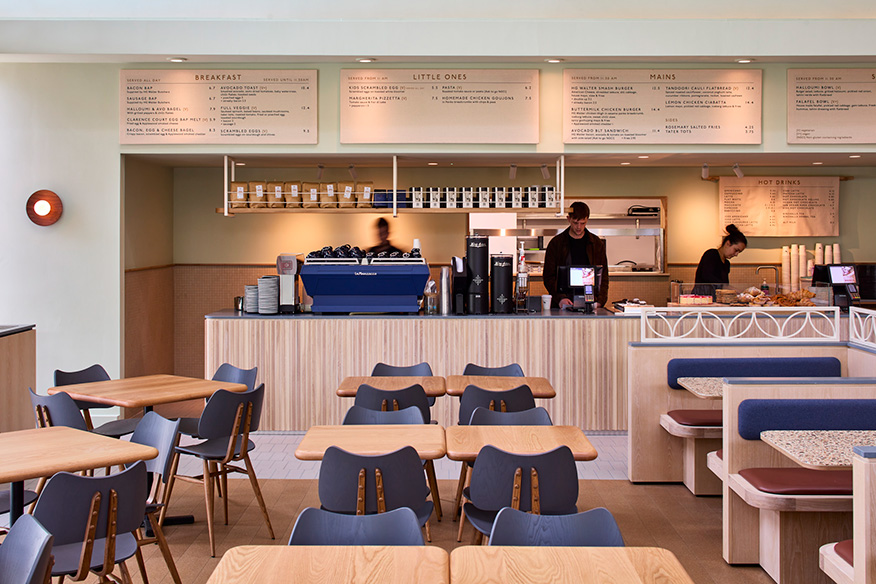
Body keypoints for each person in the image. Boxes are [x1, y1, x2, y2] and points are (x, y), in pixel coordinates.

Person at [543, 201, 609, 309]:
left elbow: (604, 276)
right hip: (564, 303)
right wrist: (560, 298)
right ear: (568, 219)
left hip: (591, 302)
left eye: (582, 223)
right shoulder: (556, 243)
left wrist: (600, 301)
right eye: (575, 223)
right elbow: (549, 276)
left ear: (587, 219)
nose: (579, 227)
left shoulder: (596, 244)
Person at [693, 224, 748, 297]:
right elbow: (707, 276)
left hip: (716, 300)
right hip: (701, 298)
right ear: (728, 243)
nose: (736, 254)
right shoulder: (711, 254)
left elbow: (725, 285)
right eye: (736, 250)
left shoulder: (726, 264)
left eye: (739, 252)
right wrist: (731, 289)